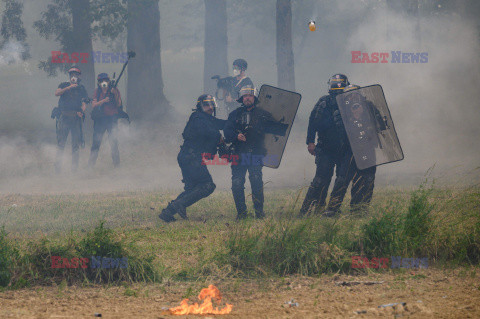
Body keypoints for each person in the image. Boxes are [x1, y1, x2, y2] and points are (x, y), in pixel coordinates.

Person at [159, 94, 226, 222]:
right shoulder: (198, 118)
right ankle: (179, 204)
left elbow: (223, 124)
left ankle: (168, 212)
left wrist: (236, 122)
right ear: (200, 106)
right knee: (207, 185)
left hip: (188, 156)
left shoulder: (208, 119)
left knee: (191, 189)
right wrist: (219, 137)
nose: (210, 107)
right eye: (206, 105)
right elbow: (208, 131)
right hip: (191, 157)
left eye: (212, 105)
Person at [325, 85, 381, 216]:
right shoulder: (341, 111)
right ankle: (332, 209)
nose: (353, 97)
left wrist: (364, 119)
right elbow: (342, 133)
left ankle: (359, 210)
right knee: (342, 180)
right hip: (350, 151)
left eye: (355, 94)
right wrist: (355, 117)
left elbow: (380, 124)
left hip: (368, 150)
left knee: (366, 180)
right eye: (349, 95)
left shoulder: (369, 106)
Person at [299, 74, 349, 216]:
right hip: (325, 149)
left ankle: (332, 210)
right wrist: (310, 141)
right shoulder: (323, 102)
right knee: (321, 180)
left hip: (344, 149)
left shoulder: (350, 102)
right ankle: (310, 209)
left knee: (341, 180)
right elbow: (312, 122)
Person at [224, 85, 275, 220]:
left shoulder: (264, 114)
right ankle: (241, 214)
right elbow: (227, 132)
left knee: (256, 181)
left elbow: (275, 132)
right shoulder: (234, 115)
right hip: (238, 154)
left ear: (255, 98)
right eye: (245, 96)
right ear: (241, 98)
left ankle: (259, 213)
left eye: (250, 96)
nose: (247, 98)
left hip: (255, 153)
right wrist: (236, 136)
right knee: (237, 183)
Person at [53, 66, 88, 173]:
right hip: (64, 118)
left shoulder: (81, 88)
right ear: (69, 76)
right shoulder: (63, 85)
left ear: (78, 76)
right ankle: (57, 168)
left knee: (75, 145)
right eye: (72, 75)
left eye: (75, 75)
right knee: (61, 143)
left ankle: (74, 169)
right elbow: (57, 93)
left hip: (75, 119)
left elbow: (84, 102)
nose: (73, 76)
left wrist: (81, 112)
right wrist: (68, 88)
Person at [88, 73, 122, 168]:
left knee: (113, 143)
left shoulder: (115, 90)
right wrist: (104, 101)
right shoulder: (97, 92)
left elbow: (119, 104)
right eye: (101, 81)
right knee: (96, 143)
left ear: (109, 81)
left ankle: (117, 165)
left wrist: (115, 93)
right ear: (98, 83)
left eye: (106, 80)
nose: (104, 82)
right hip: (100, 120)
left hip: (112, 120)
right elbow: (94, 105)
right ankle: (90, 166)